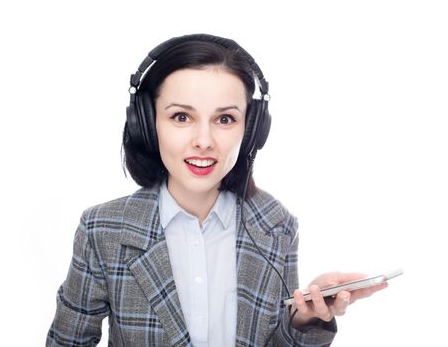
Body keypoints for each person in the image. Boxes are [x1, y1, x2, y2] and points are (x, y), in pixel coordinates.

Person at [46, 34, 387, 347]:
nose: (204, 142)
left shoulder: (276, 224)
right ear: (147, 125)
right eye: (181, 117)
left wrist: (303, 318)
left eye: (225, 119)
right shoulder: (102, 229)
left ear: (251, 130)